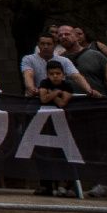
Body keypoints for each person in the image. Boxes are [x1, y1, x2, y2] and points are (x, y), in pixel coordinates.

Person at [33, 60, 75, 196]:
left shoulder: (68, 85)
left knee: (63, 155)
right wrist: (55, 93)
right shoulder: (44, 83)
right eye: (52, 74)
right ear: (47, 75)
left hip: (63, 125)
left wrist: (54, 93)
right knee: (45, 153)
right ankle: (46, 185)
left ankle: (66, 185)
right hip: (45, 124)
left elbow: (62, 102)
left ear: (63, 74)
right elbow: (43, 99)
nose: (55, 76)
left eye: (58, 73)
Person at [20, 32, 91, 97]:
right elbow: (28, 75)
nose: (45, 46)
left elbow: (76, 76)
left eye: (49, 44)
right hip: (35, 98)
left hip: (59, 98)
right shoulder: (28, 59)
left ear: (54, 45)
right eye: (42, 43)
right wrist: (31, 88)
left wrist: (90, 91)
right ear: (38, 45)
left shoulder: (64, 60)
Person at [57, 25, 107, 99]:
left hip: (97, 101)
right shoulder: (58, 60)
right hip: (71, 103)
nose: (63, 37)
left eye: (67, 34)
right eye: (60, 35)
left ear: (76, 36)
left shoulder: (96, 55)